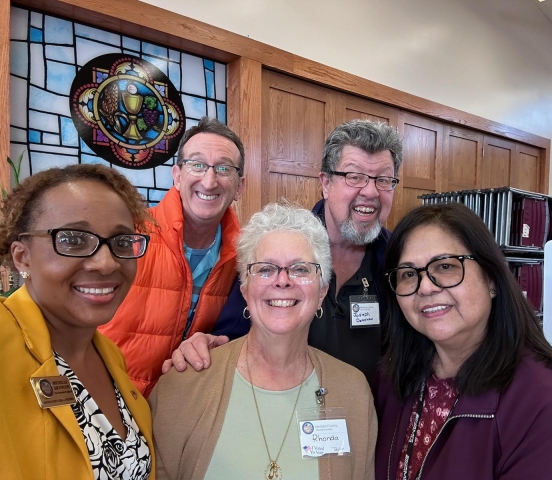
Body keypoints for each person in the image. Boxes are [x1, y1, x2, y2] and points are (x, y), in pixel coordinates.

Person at [375, 203, 552, 479]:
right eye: (408, 274)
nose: (425, 286)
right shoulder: (393, 381)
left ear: (492, 280)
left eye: (446, 266)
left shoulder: (546, 407)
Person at [165, 119, 403, 385]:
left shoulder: (400, 262)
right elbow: (232, 336)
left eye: (383, 180)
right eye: (354, 176)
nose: (370, 191)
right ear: (325, 183)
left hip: (367, 415)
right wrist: (208, 345)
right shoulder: (276, 246)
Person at [150, 202, 376, 480]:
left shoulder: (354, 393)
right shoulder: (184, 385)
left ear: (322, 291)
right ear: (245, 290)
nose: (282, 280)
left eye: (301, 269)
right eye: (266, 269)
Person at [0, 164, 156, 480]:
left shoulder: (111, 357)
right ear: (22, 257)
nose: (106, 262)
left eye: (122, 242)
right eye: (73, 240)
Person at [101, 117, 245, 396]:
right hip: (108, 403)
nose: (209, 180)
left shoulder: (245, 256)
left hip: (180, 408)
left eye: (224, 168)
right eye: (198, 165)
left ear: (239, 186)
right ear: (177, 176)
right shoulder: (129, 235)